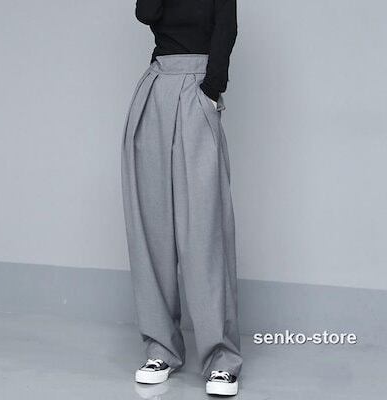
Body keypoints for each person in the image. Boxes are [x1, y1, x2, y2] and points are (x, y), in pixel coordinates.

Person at [121, 0, 242, 395]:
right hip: (157, 87)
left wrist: (212, 88)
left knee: (204, 228)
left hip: (198, 88)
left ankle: (221, 358)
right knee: (152, 225)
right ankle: (161, 348)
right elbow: (146, 13)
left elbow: (226, 29)